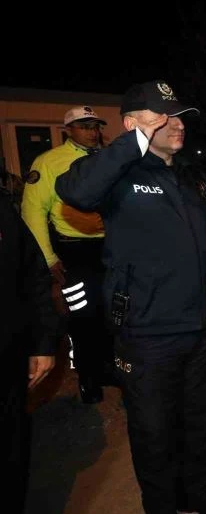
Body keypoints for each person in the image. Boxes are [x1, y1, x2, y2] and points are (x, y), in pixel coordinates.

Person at [55, 81, 206, 514]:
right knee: (154, 430)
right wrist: (133, 140)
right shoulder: (119, 172)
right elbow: (74, 192)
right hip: (147, 330)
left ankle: (197, 490)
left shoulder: (189, 173)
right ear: (134, 124)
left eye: (179, 117)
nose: (177, 126)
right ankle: (162, 504)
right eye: (164, 118)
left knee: (199, 418)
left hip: (199, 325)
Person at [21, 106, 113, 404]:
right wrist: (47, 259)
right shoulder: (49, 162)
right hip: (76, 249)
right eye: (84, 126)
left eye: (95, 126)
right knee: (83, 315)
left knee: (117, 311)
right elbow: (33, 212)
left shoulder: (108, 157)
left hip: (113, 247)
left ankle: (111, 367)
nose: (91, 131)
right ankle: (89, 377)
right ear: (68, 130)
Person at [1, 186, 61, 513]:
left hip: (8, 360)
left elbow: (32, 276)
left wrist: (42, 342)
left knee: (12, 452)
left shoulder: (2, 209)